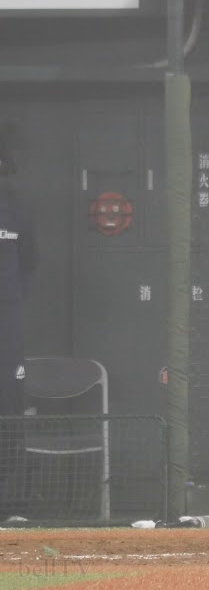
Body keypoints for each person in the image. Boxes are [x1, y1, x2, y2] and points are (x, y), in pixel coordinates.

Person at [0, 129, 36, 522]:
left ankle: (11, 505)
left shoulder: (17, 210)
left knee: (9, 410)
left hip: (7, 330)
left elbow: (29, 265)